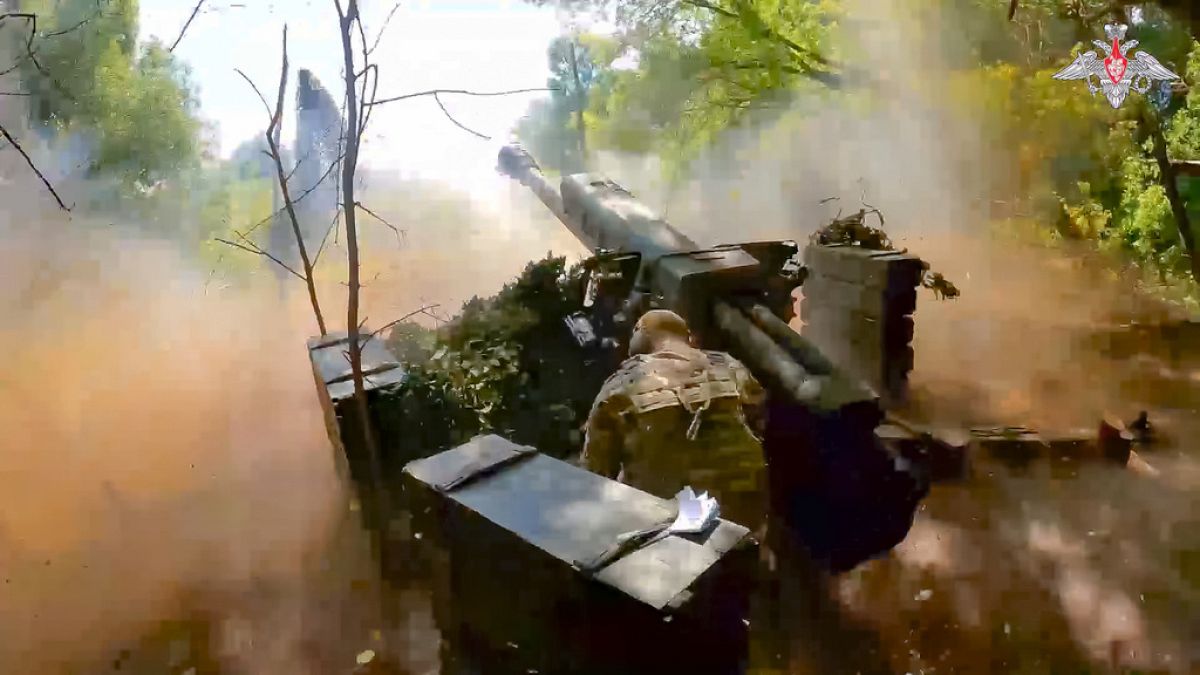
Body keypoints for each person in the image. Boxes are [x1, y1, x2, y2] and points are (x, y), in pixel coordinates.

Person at [579, 309, 769, 532]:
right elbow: (763, 424)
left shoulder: (621, 383)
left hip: (667, 528)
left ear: (641, 333)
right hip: (742, 517)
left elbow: (595, 475)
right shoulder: (728, 365)